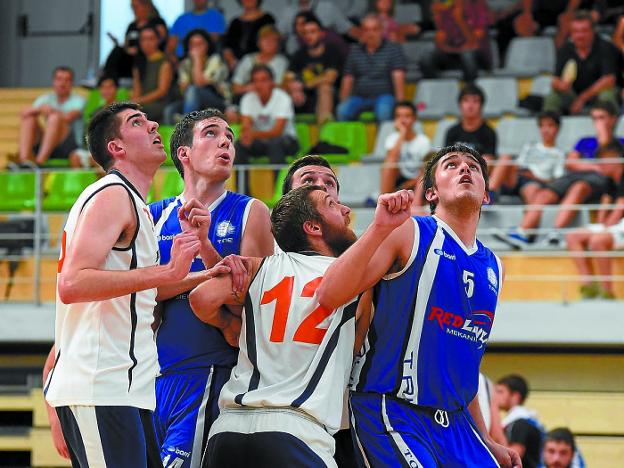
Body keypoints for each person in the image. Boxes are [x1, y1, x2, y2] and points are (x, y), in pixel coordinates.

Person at [317, 143, 520, 467]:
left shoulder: (495, 266)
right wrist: (379, 227)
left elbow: (463, 366)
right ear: (431, 194)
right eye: (451, 165)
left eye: (473, 167)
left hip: (456, 425)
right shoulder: (408, 231)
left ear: (486, 196)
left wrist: (486, 439)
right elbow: (329, 294)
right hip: (392, 409)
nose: (464, 169)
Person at [42, 102, 213, 467]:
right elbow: (72, 283)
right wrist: (167, 271)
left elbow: (142, 288)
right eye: (137, 122)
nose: (153, 125)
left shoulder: (135, 204)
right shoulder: (112, 194)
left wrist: (208, 274)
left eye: (150, 119)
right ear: (116, 148)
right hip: (99, 384)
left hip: (128, 389)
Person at [190, 186, 408, 467]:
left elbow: (201, 297)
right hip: (298, 431)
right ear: (313, 227)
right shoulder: (353, 280)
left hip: (227, 431)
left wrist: (229, 325)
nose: (346, 211)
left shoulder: (261, 267)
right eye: (333, 204)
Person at [149, 108, 274, 468]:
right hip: (151, 377)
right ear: (183, 153)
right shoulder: (154, 215)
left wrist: (173, 276)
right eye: (212, 133)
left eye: (230, 138)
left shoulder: (251, 211)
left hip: (212, 374)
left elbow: (253, 299)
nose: (225, 142)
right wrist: (208, 275)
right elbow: (137, 293)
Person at [497, 101, 624, 249]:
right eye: (595, 119)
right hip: (574, 176)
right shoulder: (584, 141)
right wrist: (596, 166)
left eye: (602, 118)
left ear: (614, 119)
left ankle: (555, 233)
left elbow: (611, 166)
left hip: (599, 180)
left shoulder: (620, 143)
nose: (598, 123)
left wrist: (603, 138)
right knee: (545, 194)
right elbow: (570, 162)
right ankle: (523, 232)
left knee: (579, 187)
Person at [565, 143, 624, 299]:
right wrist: (602, 224)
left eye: (604, 160)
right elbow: (605, 206)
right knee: (573, 237)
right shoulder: (609, 181)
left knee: (598, 241)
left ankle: (607, 291)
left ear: (616, 159)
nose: (600, 164)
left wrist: (605, 229)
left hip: (621, 225)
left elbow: (620, 208)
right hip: (615, 226)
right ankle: (589, 286)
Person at [543, 10, 619, 115]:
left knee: (607, 96)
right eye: (576, 31)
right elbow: (554, 80)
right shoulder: (565, 49)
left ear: (593, 31)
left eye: (584, 31)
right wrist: (561, 85)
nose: (580, 35)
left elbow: (609, 80)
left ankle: (606, 130)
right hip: (573, 95)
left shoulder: (605, 47)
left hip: (596, 93)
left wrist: (582, 98)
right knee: (553, 97)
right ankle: (549, 129)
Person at [337, 14, 406, 122]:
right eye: (367, 30)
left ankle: (384, 139)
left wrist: (401, 105)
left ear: (381, 30)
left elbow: (398, 77)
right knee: (342, 111)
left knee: (384, 112)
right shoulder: (354, 51)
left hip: (384, 96)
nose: (370, 34)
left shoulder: (393, 49)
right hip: (359, 97)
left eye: (374, 29)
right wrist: (343, 101)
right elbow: (348, 78)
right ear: (362, 32)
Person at [489, 111, 566, 204]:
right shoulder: (529, 146)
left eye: (550, 126)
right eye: (542, 126)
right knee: (505, 158)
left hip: (535, 182)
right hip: (517, 178)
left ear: (557, 128)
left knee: (531, 189)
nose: (546, 130)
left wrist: (534, 177)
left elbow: (557, 181)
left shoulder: (559, 154)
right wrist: (517, 169)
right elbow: (518, 164)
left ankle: (531, 215)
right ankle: (490, 193)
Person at [18, 66, 85, 167]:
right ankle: (24, 161)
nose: (62, 83)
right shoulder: (46, 98)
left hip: (68, 146)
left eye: (66, 80)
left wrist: (50, 111)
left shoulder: (79, 100)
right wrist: (40, 109)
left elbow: (68, 117)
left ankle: (39, 163)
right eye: (59, 79)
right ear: (53, 82)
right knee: (29, 119)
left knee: (54, 118)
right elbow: (23, 114)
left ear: (71, 83)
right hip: (46, 143)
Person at [235, 64, 299, 166]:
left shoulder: (283, 98)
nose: (259, 84)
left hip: (287, 141)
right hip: (260, 142)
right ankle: (242, 181)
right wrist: (247, 134)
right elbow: (246, 126)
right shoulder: (247, 99)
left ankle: (280, 182)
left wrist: (253, 134)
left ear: (272, 82)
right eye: (255, 80)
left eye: (263, 80)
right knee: (239, 145)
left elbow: (278, 131)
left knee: (275, 143)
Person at [285, 14, 343, 124]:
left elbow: (329, 77)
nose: (308, 36)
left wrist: (303, 85)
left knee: (324, 87)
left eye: (313, 32)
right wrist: (293, 89)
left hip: (330, 96)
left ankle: (324, 136)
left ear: (322, 34)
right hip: (304, 97)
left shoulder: (332, 51)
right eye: (305, 33)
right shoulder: (298, 55)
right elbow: (288, 77)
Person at [163, 29, 229, 123]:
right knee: (170, 110)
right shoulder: (185, 64)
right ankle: (175, 136)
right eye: (193, 44)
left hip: (217, 100)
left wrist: (197, 59)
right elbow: (184, 89)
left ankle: (186, 126)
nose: (196, 48)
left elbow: (199, 83)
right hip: (191, 101)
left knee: (193, 89)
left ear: (208, 45)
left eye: (200, 44)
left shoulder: (215, 60)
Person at [420, 0, 493, 82]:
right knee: (427, 58)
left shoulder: (478, 6)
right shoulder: (448, 9)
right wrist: (437, 16)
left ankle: (470, 91)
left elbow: (474, 43)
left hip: (479, 57)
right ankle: (439, 90)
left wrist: (460, 20)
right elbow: (441, 41)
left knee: (467, 55)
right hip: (456, 54)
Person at [380, 101, 431, 206]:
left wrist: (408, 184)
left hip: (417, 182)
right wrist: (402, 134)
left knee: (424, 175)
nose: (402, 120)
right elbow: (390, 161)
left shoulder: (423, 141)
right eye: (399, 116)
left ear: (414, 119)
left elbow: (425, 171)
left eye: (407, 116)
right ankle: (384, 202)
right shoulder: (392, 138)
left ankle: (416, 206)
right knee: (387, 166)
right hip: (399, 180)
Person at [101, 0, 167, 81]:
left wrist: (140, 49)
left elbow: (160, 43)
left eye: (137, 7)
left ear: (146, 6)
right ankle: (107, 80)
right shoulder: (131, 26)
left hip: (146, 57)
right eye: (132, 7)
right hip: (130, 58)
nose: (134, 10)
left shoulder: (157, 22)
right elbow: (126, 45)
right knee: (117, 51)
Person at [230, 25, 289, 107]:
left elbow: (282, 87)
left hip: (273, 102)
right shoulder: (247, 59)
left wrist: (262, 87)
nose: (269, 43)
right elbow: (235, 87)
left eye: (273, 40)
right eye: (265, 39)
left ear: (278, 44)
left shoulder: (282, 62)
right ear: (258, 42)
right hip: (248, 99)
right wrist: (247, 88)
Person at [496, 374, 545, 468]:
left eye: (500, 392)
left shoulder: (520, 423)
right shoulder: (520, 420)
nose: (495, 396)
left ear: (515, 396)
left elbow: (512, 457)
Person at [278, 0, 359, 56]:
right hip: (296, 58)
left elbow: (349, 29)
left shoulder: (328, 7)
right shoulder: (288, 11)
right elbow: (277, 35)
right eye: (298, 24)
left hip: (328, 58)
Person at [132, 25, 175, 122]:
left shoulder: (165, 62)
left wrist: (137, 102)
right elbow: (137, 90)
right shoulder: (139, 63)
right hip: (142, 103)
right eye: (143, 39)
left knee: (135, 114)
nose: (147, 43)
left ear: (158, 40)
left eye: (151, 39)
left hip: (161, 104)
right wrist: (132, 103)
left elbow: (161, 91)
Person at [445, 83, 497, 163]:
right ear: (460, 104)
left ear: (481, 106)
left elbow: (488, 163)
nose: (470, 105)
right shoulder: (452, 132)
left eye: (475, 101)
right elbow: (447, 160)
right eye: (466, 100)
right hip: (456, 172)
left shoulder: (489, 133)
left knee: (505, 158)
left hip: (480, 173)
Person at [222, 0, 276, 72]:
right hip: (237, 65)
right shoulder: (235, 22)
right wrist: (231, 61)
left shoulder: (267, 19)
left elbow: (272, 44)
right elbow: (227, 47)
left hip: (261, 64)